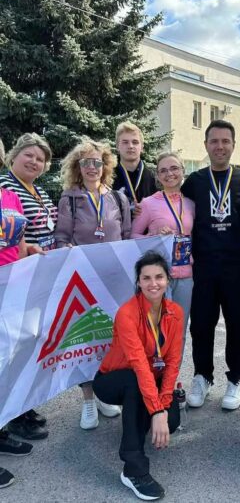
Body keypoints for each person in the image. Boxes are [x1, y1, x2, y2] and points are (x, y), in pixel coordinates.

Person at [92, 251, 183, 501]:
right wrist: (156, 410)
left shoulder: (175, 312)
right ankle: (133, 469)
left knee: (170, 422)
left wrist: (163, 406)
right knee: (135, 382)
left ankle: (137, 419)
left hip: (150, 377)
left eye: (159, 277)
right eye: (146, 278)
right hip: (113, 379)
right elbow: (139, 365)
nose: (153, 283)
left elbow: (172, 362)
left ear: (168, 280)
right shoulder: (127, 313)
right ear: (139, 282)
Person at [181, 120, 240, 410]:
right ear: (206, 145)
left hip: (236, 269)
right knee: (201, 324)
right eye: (214, 141)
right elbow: (179, 215)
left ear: (233, 145)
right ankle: (202, 376)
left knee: (238, 325)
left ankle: (236, 378)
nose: (220, 146)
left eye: (225, 141)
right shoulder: (194, 182)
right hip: (202, 268)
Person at [55, 139, 131, 430]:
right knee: (84, 340)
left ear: (105, 166)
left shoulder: (118, 199)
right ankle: (87, 400)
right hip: (82, 283)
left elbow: (126, 238)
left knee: (108, 339)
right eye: (86, 162)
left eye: (97, 162)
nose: (92, 167)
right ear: (78, 166)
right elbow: (61, 238)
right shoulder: (70, 199)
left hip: (113, 283)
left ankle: (102, 394)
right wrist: (66, 251)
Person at [0, 133, 57, 441]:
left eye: (40, 158)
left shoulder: (40, 190)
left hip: (37, 275)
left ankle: (21, 406)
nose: (34, 162)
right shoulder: (5, 187)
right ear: (14, 155)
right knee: (12, 348)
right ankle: (12, 415)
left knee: (29, 343)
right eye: (29, 155)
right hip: (13, 277)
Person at [0, 138, 43, 489]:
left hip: (12, 288)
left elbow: (17, 242)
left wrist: (31, 250)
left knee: (6, 361)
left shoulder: (9, 196)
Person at [131, 152, 195, 337]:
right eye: (163, 170)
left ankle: (175, 359)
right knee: (156, 332)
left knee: (178, 332)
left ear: (182, 171)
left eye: (174, 168)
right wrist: (154, 236)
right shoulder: (148, 203)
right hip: (158, 277)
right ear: (158, 176)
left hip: (185, 277)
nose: (169, 174)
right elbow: (132, 236)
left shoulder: (191, 204)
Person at [113, 121, 157, 213]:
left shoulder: (154, 178)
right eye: (125, 142)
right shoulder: (108, 177)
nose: (130, 146)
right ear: (117, 146)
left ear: (142, 147)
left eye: (135, 142)